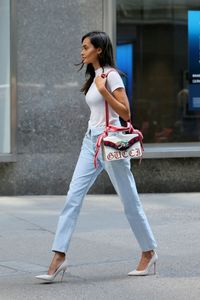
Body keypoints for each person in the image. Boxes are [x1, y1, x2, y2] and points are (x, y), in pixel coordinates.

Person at [35, 31, 158, 282]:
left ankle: (148, 251)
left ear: (99, 49)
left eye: (85, 47)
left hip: (111, 145)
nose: (82, 51)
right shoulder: (93, 78)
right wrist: (98, 89)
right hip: (91, 142)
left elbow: (126, 112)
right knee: (73, 197)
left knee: (129, 201)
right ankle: (59, 256)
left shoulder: (110, 76)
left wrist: (104, 91)